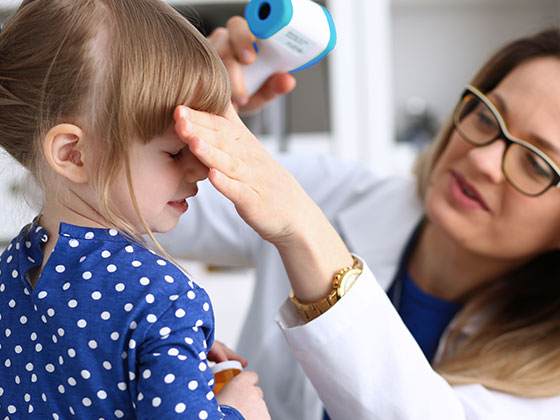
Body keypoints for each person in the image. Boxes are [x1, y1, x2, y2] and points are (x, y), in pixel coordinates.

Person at [160, 20, 560, 420]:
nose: (482, 159)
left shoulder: (549, 387)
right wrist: (187, 112)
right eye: (488, 119)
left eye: (537, 164)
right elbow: (131, 205)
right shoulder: (340, 193)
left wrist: (303, 227)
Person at [0, 1, 271, 419]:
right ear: (74, 153)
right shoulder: (162, 298)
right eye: (177, 151)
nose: (202, 167)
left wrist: (167, 349)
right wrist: (237, 412)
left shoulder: (10, 272)